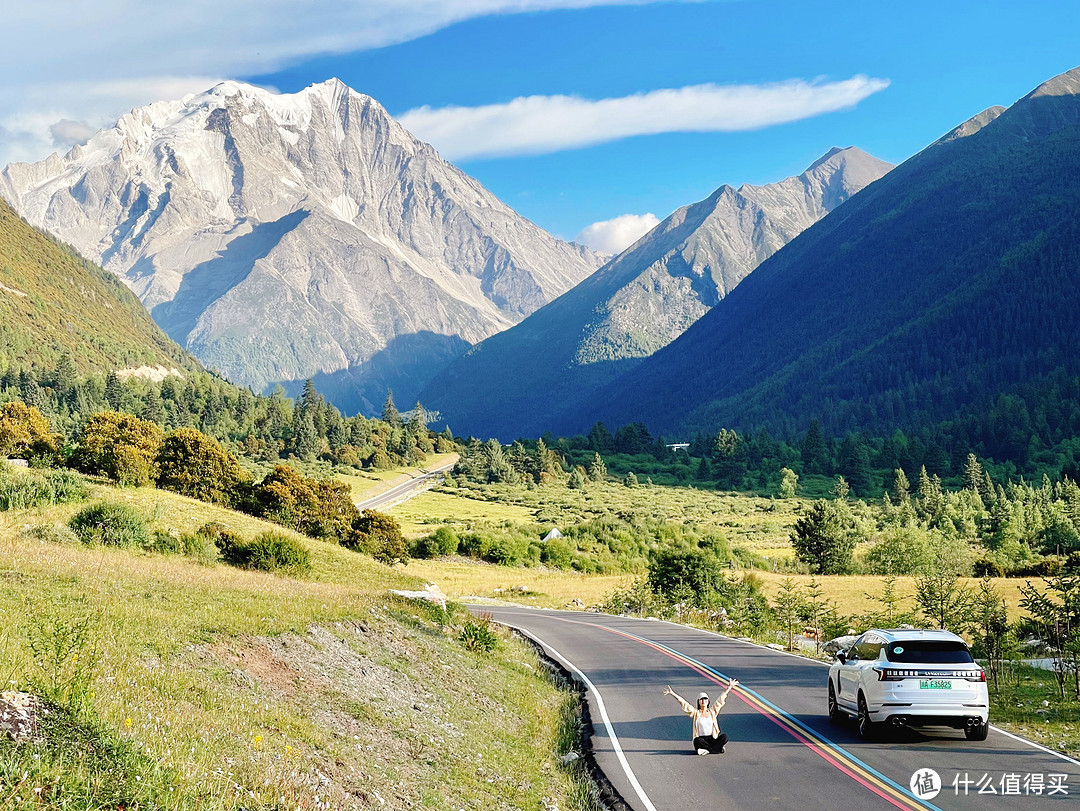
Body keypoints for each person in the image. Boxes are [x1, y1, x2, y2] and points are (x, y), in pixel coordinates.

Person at [663, 680, 739, 755]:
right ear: (698, 702)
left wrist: (729, 687)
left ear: (708, 701)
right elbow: (684, 704)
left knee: (724, 737)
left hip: (712, 738)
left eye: (705, 699)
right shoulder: (696, 713)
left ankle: (708, 750)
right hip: (702, 740)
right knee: (697, 741)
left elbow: (720, 700)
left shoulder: (712, 711)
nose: (703, 701)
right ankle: (716, 749)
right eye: (701, 699)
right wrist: (673, 693)